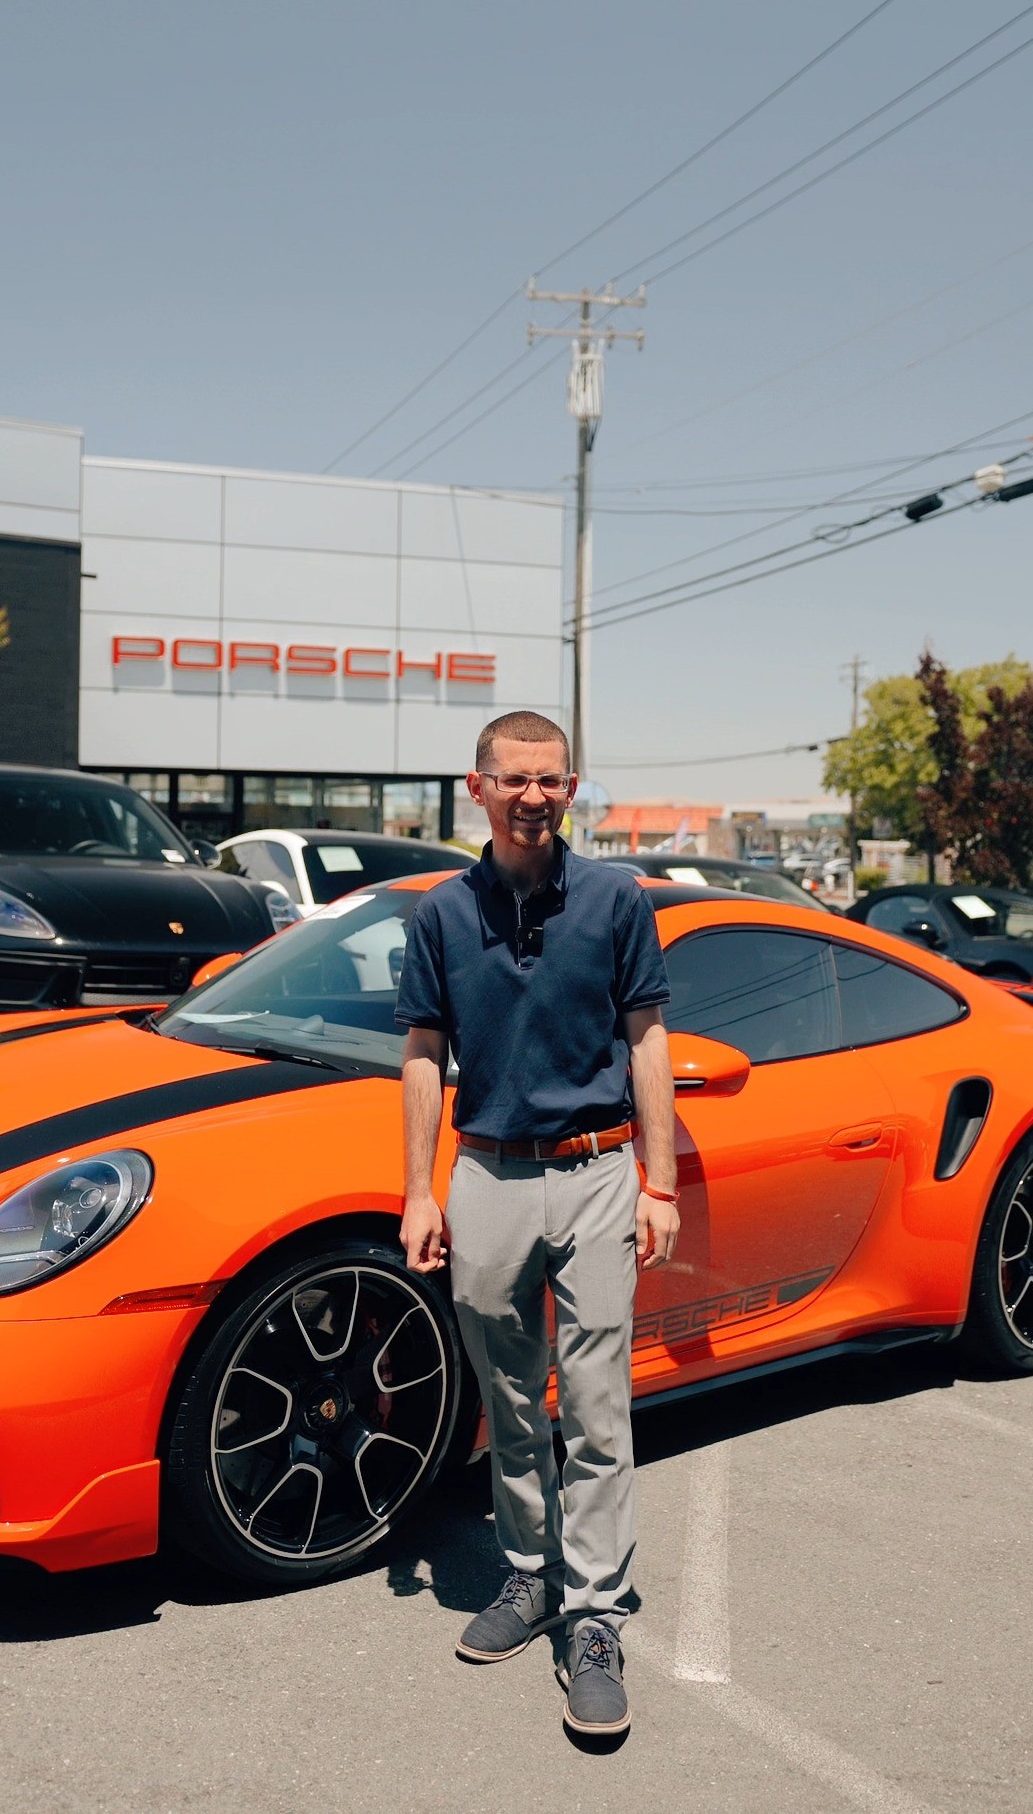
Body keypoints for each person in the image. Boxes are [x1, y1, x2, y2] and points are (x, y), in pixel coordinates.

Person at [396, 709, 678, 1738]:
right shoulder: (440, 914)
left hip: (598, 1170)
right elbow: (423, 1054)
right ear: (477, 787)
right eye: (515, 779)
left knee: (597, 1409)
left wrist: (658, 1182)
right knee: (509, 1399)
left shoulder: (615, 900)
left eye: (551, 779)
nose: (534, 796)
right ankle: (530, 1573)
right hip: (486, 1175)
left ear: (570, 788)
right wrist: (421, 1189)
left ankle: (595, 1616)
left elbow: (648, 1040)